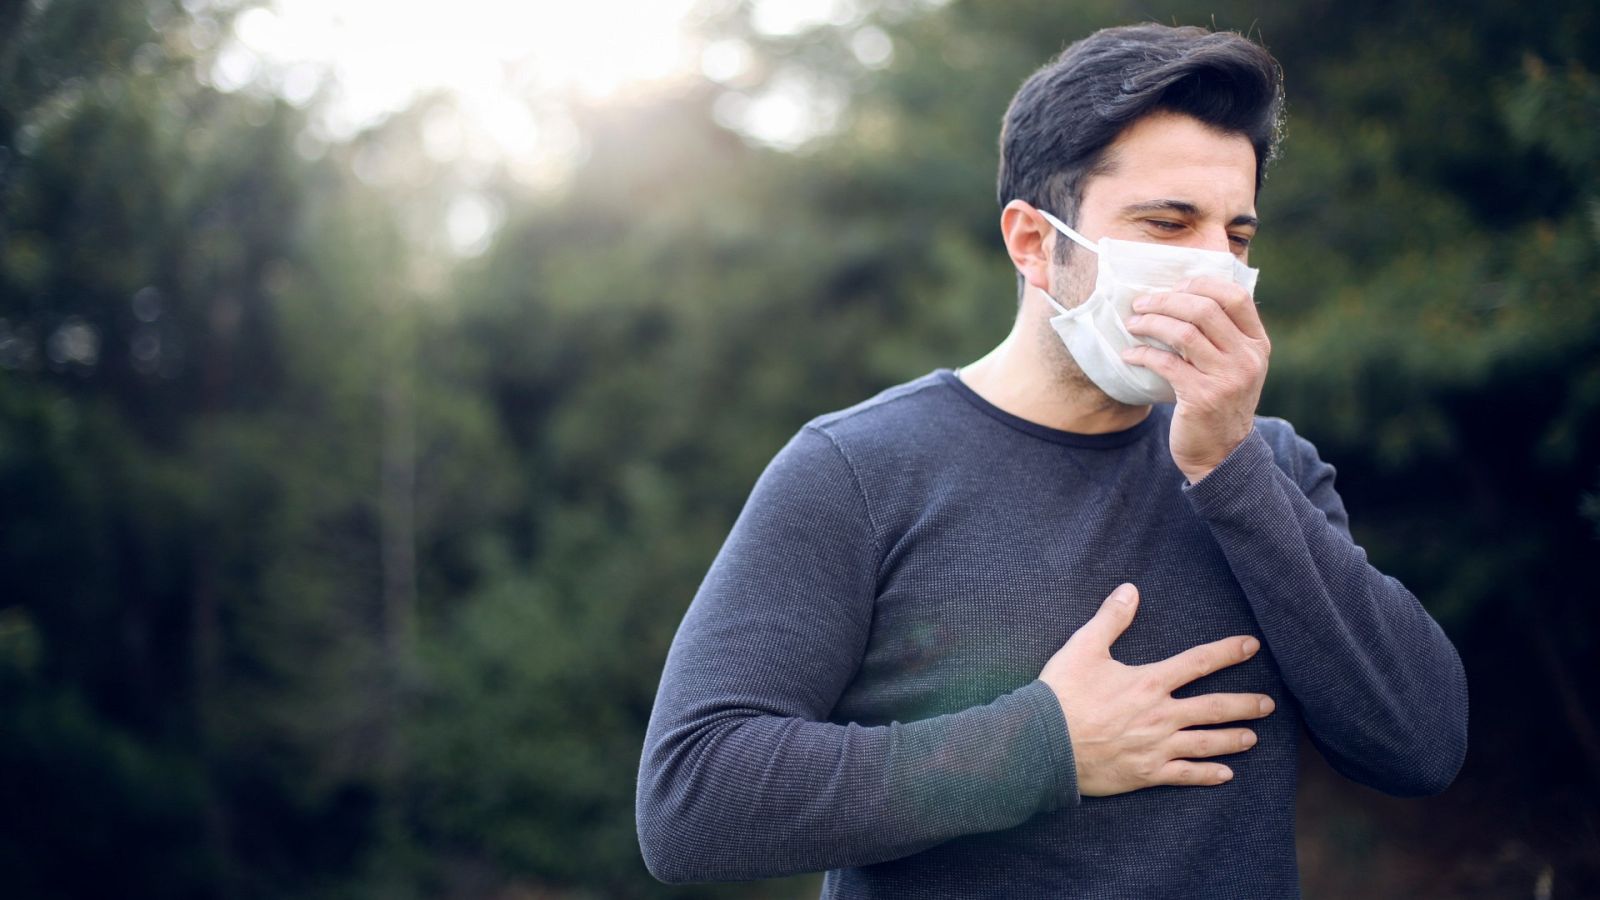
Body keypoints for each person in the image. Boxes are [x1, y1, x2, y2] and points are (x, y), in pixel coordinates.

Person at [635, 22, 1468, 899]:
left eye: (1236, 235)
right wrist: (1044, 745)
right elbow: (694, 798)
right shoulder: (858, 468)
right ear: (1035, 243)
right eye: (1168, 224)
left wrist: (1229, 465)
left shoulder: (1269, 469)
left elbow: (1421, 744)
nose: (1215, 268)